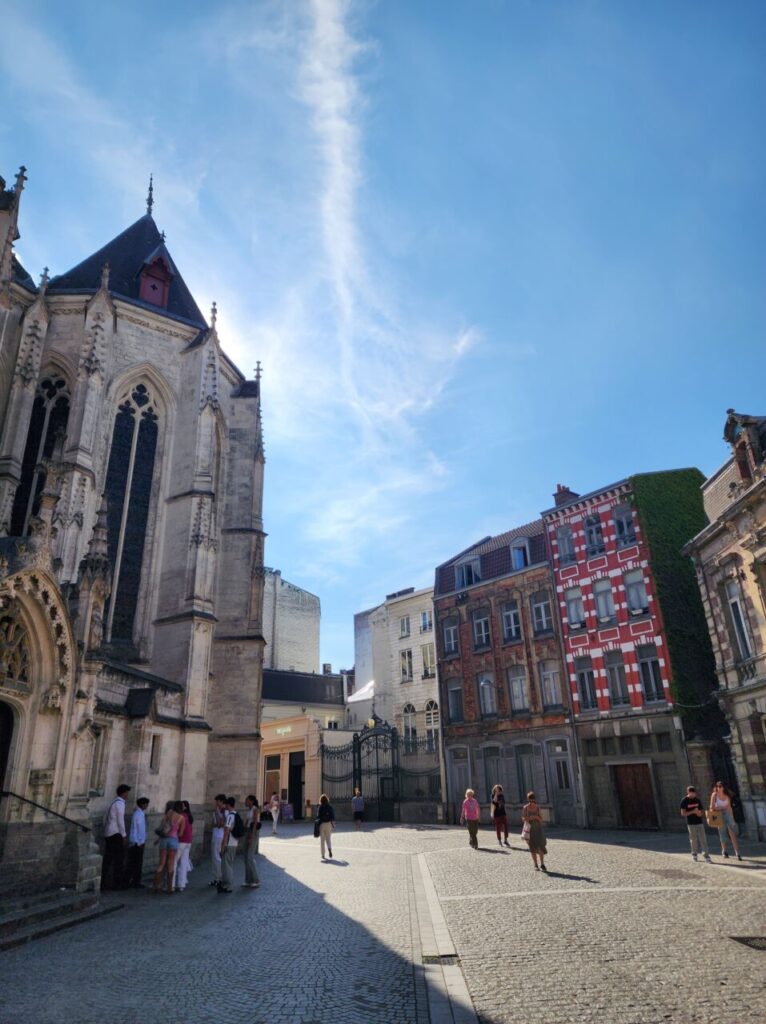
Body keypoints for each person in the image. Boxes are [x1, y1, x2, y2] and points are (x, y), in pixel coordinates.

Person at [101, 783, 131, 890]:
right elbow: (120, 820)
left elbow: (105, 818)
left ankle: (104, 882)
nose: (128, 795)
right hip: (115, 834)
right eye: (127, 793)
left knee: (108, 858)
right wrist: (124, 835)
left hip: (109, 833)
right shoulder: (120, 804)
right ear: (124, 793)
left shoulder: (113, 802)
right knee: (118, 859)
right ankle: (116, 883)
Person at [153, 800, 185, 895]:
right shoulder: (181, 818)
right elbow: (181, 833)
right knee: (171, 864)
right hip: (173, 841)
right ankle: (169, 888)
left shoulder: (168, 813)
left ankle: (156, 886)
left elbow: (162, 827)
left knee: (161, 864)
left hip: (164, 840)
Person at [709, 781, 742, 860]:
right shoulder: (714, 795)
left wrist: (732, 818)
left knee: (732, 833)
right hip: (719, 815)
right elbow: (712, 807)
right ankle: (724, 851)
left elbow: (729, 807)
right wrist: (722, 808)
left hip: (728, 814)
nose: (719, 788)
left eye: (720, 786)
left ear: (723, 787)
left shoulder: (727, 795)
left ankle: (737, 853)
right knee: (722, 833)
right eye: (717, 786)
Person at [680, 786, 711, 863]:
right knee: (693, 839)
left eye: (694, 793)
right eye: (692, 793)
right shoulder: (684, 801)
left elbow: (701, 811)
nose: (693, 795)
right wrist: (693, 812)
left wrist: (699, 813)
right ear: (688, 792)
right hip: (691, 823)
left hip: (699, 822)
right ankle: (694, 854)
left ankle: (706, 856)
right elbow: (683, 813)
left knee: (703, 839)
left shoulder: (697, 800)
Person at [125, 796, 150, 888]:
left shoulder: (139, 814)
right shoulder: (139, 814)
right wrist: (140, 842)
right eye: (146, 804)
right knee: (136, 863)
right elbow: (139, 829)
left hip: (136, 842)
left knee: (134, 862)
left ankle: (131, 881)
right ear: (143, 804)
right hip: (137, 842)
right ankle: (134, 881)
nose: (147, 806)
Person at [218, 796, 240, 893]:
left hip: (229, 843)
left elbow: (226, 832)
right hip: (234, 843)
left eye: (226, 804)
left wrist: (222, 847)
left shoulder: (230, 816)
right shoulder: (236, 814)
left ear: (228, 805)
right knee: (229, 864)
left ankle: (228, 885)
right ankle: (226, 884)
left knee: (226, 866)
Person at [522, 791, 547, 871]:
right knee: (532, 848)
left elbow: (541, 819)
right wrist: (528, 818)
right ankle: (535, 864)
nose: (531, 802)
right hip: (530, 831)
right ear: (528, 800)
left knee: (540, 847)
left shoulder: (538, 808)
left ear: (534, 800)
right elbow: (523, 818)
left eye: (533, 800)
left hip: (538, 830)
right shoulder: (525, 808)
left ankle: (542, 864)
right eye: (530, 801)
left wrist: (536, 817)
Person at [173, 800, 194, 891]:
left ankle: (172, 884)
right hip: (188, 841)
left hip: (181, 841)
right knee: (184, 862)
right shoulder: (188, 816)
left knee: (174, 862)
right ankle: (182, 884)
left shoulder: (180, 816)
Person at [242, 794, 261, 889]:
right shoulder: (249, 810)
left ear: (251, 801)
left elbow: (255, 823)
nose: (245, 802)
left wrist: (251, 836)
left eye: (247, 800)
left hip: (253, 832)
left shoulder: (255, 809)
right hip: (247, 832)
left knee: (250, 856)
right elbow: (247, 822)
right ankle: (248, 880)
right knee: (245, 857)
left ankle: (256, 880)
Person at [209, 794, 227, 887]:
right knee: (214, 857)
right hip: (215, 834)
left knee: (217, 857)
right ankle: (215, 878)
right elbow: (213, 824)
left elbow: (221, 824)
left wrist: (217, 813)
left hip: (219, 836)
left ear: (222, 801)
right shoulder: (217, 810)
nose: (216, 803)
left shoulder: (224, 811)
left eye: (217, 801)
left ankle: (219, 878)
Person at [316, 793, 335, 860]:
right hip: (329, 824)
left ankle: (323, 854)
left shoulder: (320, 807)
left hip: (322, 824)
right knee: (328, 839)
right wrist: (333, 824)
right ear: (327, 800)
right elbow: (333, 816)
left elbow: (318, 816)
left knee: (322, 840)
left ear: (321, 800)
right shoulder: (330, 807)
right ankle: (329, 849)